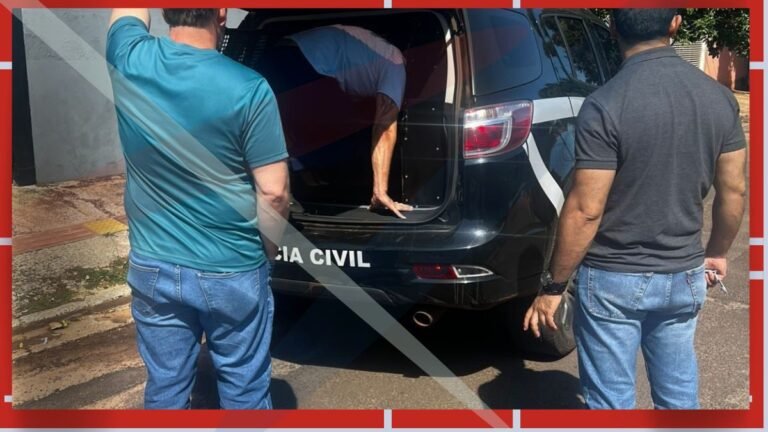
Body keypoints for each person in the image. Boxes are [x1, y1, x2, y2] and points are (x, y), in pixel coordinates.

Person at [523, 9, 746, 409]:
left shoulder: (605, 103)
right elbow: (734, 190)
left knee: (611, 404)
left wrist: (553, 287)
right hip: (683, 273)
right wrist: (717, 252)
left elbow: (586, 210)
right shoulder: (718, 98)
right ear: (675, 24)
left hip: (613, 277)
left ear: (612, 28)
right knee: (678, 398)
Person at [106, 8, 290, 409]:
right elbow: (274, 192)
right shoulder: (249, 88)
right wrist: (269, 252)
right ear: (221, 12)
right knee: (244, 389)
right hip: (232, 265)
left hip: (153, 264)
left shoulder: (129, 57)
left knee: (166, 387)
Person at [262, 25, 412, 219]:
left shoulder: (377, 53)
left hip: (280, 52)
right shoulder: (396, 65)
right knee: (336, 137)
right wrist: (380, 192)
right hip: (300, 59)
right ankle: (285, 190)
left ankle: (295, 180)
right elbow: (385, 127)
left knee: (294, 126)